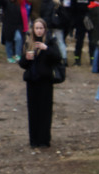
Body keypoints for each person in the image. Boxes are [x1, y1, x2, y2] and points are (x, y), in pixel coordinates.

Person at [19, 18, 62, 149]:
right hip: (32, 81)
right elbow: (22, 64)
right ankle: (34, 139)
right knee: (33, 111)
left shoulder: (50, 41)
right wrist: (26, 58)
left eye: (41, 28)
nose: (39, 31)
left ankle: (44, 139)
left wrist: (46, 49)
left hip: (46, 81)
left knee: (45, 111)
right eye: (36, 28)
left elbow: (58, 57)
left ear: (45, 30)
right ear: (33, 30)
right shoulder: (28, 42)